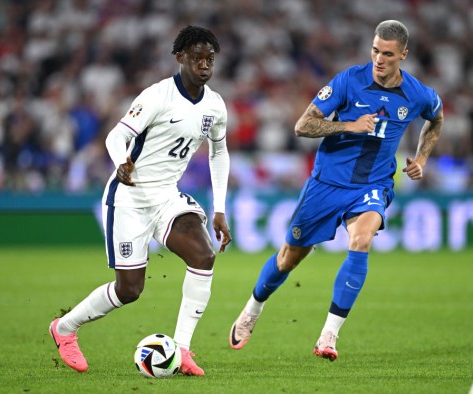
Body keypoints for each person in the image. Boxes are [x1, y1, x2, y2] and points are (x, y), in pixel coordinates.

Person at [229, 20, 443, 361]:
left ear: (404, 54)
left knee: (361, 240)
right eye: (375, 51)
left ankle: (328, 336)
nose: (379, 60)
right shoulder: (348, 81)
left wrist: (422, 157)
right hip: (327, 184)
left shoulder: (417, 94)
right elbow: (303, 125)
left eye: (388, 54)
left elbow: (436, 117)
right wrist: (349, 125)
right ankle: (252, 308)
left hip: (373, 185)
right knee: (288, 259)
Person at [49, 25, 231, 376]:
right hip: (129, 197)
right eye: (197, 58)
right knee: (129, 290)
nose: (205, 65)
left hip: (167, 197)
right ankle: (65, 328)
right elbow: (116, 136)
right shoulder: (157, 96)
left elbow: (219, 154)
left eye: (210, 59)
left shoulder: (215, 106)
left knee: (203, 254)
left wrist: (219, 207)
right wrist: (121, 163)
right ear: (180, 58)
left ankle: (182, 349)